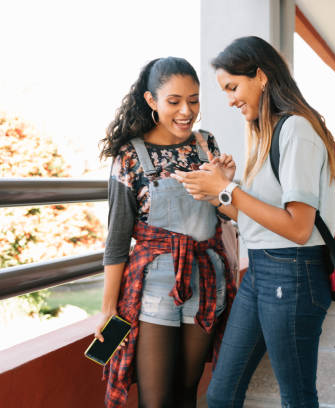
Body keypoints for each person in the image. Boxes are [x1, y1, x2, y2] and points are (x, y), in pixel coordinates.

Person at [173, 36, 335, 408]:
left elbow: (298, 227)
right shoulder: (264, 135)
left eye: (233, 87)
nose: (230, 99)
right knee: (221, 394)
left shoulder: (297, 129)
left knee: (296, 398)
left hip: (293, 274)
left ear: (260, 76)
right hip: (262, 271)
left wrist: (230, 189)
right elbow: (255, 220)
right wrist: (217, 191)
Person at [97, 57, 237, 408]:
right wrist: (107, 309)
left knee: (186, 392)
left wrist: (225, 186)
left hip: (206, 280)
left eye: (194, 99)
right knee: (155, 400)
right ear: (151, 101)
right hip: (155, 287)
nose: (186, 111)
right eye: (174, 101)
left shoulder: (207, 146)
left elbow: (227, 213)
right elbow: (116, 241)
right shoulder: (130, 156)